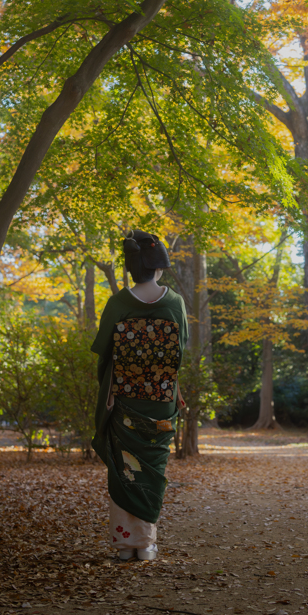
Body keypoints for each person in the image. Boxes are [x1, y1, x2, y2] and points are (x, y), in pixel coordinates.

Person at [91, 230, 188, 562]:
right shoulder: (175, 303)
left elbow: (103, 351)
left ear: (132, 270)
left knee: (124, 468)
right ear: (158, 268)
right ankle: (146, 545)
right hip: (161, 398)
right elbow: (180, 354)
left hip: (123, 399)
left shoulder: (118, 303)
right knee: (152, 469)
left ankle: (124, 545)